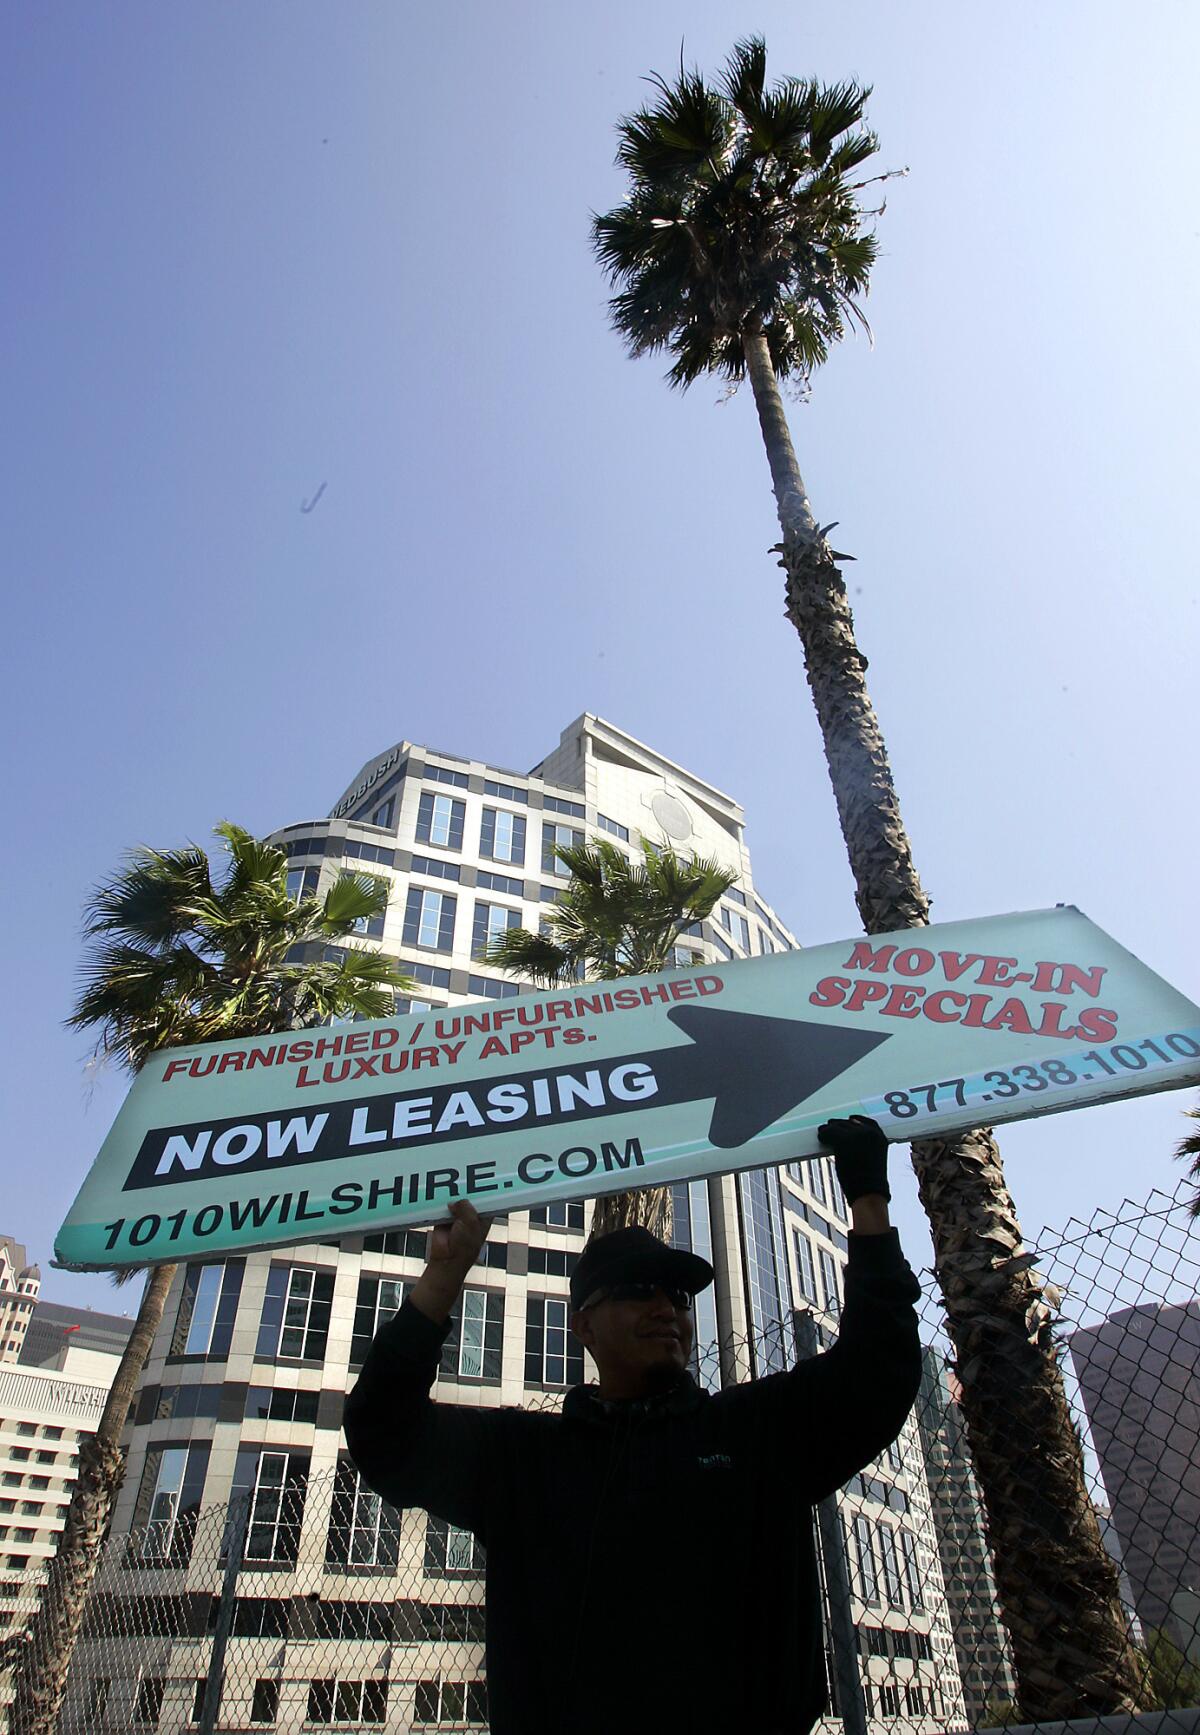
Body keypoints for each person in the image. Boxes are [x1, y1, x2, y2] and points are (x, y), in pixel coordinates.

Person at [344, 1116, 922, 1735]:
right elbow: (384, 1435)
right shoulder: (524, 1460)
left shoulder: (756, 1432)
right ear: (584, 1327)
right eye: (640, 1290)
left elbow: (877, 1372)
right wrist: (442, 1277)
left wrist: (867, 1198)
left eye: (678, 1295)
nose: (666, 1307)